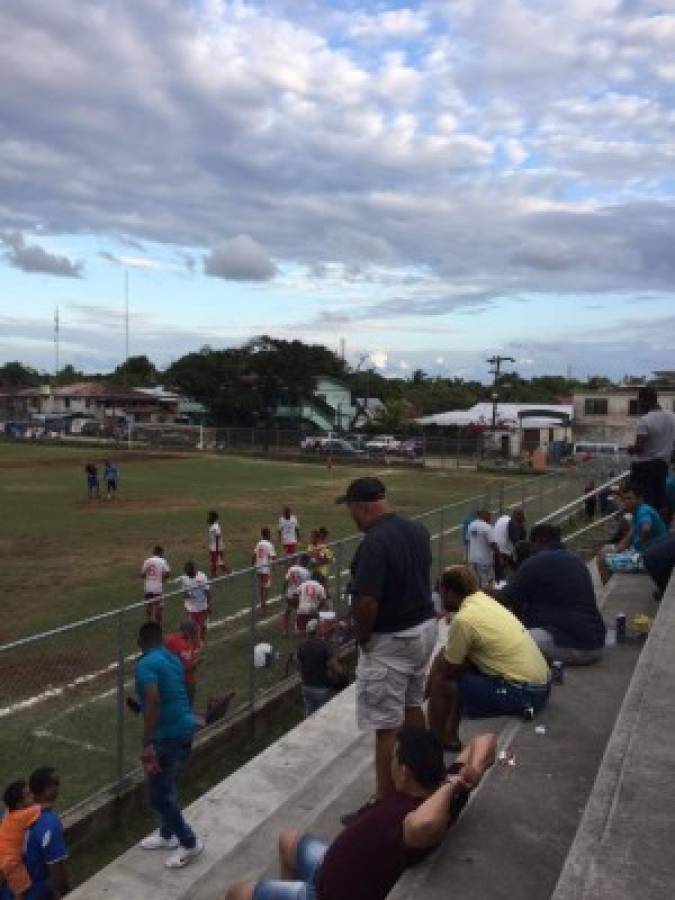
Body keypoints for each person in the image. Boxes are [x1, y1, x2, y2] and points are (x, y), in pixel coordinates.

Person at [224, 729, 496, 900]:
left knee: (237, 893)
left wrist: (452, 784)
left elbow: (422, 824)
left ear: (404, 772)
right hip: (330, 867)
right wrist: (469, 771)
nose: (390, 763)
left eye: (394, 758)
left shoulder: (418, 817)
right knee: (287, 839)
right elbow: (486, 739)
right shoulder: (444, 790)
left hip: (328, 893)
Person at [338, 477, 437, 810]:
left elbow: (367, 601)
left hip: (393, 640)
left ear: (363, 507)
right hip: (423, 629)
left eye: (351, 508)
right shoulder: (417, 529)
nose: (350, 516)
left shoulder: (374, 542)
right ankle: (423, 782)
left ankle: (384, 802)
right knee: (411, 707)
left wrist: (363, 636)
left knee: (385, 727)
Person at [428, 566, 550, 751]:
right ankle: (449, 736)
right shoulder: (483, 601)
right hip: (540, 685)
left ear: (450, 592)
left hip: (526, 694)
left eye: (441, 590)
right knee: (457, 665)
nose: (440, 596)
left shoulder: (464, 620)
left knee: (441, 683)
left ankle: (434, 745)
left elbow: (447, 670)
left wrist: (428, 691)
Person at [134, 621, 203, 869]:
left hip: (167, 736)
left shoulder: (144, 664)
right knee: (167, 782)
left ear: (140, 644)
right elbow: (174, 690)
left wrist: (147, 741)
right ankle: (166, 834)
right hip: (185, 728)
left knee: (158, 796)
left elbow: (153, 698)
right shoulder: (171, 658)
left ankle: (189, 841)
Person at [499, 524, 606, 665]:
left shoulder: (536, 562)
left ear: (537, 541)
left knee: (507, 641)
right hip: (596, 643)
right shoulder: (577, 561)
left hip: (575, 647)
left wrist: (478, 593)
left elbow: (503, 599)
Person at [1, 767, 70, 900]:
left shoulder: (7, 814)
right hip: (34, 892)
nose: (58, 787)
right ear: (46, 790)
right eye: (55, 783)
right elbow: (57, 871)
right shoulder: (50, 823)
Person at [598, 484, 667, 584]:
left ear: (640, 499)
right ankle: (611, 584)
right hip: (642, 553)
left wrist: (645, 549)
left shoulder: (643, 511)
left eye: (630, 498)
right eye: (624, 499)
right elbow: (628, 539)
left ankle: (608, 589)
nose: (626, 502)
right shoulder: (637, 512)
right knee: (605, 550)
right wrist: (615, 550)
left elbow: (646, 529)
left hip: (649, 559)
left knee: (602, 560)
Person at [627, 385, 675, 513]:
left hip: (644, 468)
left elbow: (640, 447)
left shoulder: (644, 420)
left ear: (645, 400)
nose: (639, 406)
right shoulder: (672, 417)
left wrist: (631, 449)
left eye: (640, 402)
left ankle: (643, 526)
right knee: (659, 502)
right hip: (662, 466)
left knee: (641, 502)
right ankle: (659, 526)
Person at [0, 781, 40, 899]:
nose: (32, 795)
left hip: (3, 854)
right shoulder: (22, 816)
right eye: (28, 794)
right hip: (11, 861)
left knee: (9, 882)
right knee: (22, 889)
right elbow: (40, 807)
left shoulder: (8, 814)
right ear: (18, 805)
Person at [297, 619, 344, 717]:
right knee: (323, 716)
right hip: (321, 687)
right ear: (317, 630)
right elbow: (334, 665)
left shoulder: (302, 645)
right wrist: (342, 675)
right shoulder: (324, 646)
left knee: (309, 716)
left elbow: (299, 666)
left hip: (306, 686)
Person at [164, 621, 202, 707]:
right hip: (185, 682)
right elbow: (185, 668)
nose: (195, 634)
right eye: (193, 631)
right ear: (186, 632)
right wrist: (195, 664)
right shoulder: (185, 646)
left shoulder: (170, 639)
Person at [176, 561, 211, 641]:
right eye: (186, 573)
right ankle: (192, 642)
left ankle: (201, 641)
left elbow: (207, 592)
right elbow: (184, 592)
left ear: (193, 570)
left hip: (202, 606)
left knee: (203, 625)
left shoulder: (202, 577)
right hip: (191, 607)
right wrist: (187, 596)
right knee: (191, 626)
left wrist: (209, 605)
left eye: (189, 573)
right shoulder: (184, 578)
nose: (187, 574)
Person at [492, 508, 526, 581]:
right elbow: (515, 540)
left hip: (496, 549)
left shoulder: (503, 518)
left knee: (498, 573)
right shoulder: (512, 523)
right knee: (507, 573)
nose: (521, 524)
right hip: (504, 551)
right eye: (520, 522)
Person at [467, 510, 498, 588]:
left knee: (474, 584)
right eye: (489, 517)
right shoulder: (487, 527)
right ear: (485, 516)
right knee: (486, 585)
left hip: (472, 559)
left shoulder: (471, 525)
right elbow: (493, 543)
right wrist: (499, 554)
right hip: (484, 560)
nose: (490, 520)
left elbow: (468, 540)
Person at [141, 546, 171, 625]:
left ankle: (149, 623)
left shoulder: (147, 561)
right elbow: (168, 572)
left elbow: (142, 574)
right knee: (158, 606)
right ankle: (158, 624)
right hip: (157, 587)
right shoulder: (162, 561)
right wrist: (163, 579)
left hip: (148, 587)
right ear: (160, 553)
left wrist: (148, 577)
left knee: (148, 606)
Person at [283, 555, 311, 635]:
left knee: (287, 611)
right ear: (305, 562)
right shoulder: (306, 572)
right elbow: (306, 586)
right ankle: (298, 628)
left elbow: (286, 581)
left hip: (290, 593)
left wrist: (283, 592)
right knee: (300, 612)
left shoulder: (292, 568)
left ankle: (285, 630)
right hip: (298, 595)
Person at [643, 534, 675, 600]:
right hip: (654, 560)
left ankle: (663, 591)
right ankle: (664, 591)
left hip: (652, 556)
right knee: (666, 586)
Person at [253, 529, 277, 614]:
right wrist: (273, 568)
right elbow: (273, 557)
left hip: (258, 568)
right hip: (266, 569)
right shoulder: (269, 544)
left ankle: (262, 603)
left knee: (261, 587)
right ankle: (263, 607)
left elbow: (254, 555)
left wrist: (253, 565)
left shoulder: (259, 543)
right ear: (267, 535)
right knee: (266, 587)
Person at [207, 511, 229, 579]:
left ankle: (229, 573)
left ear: (213, 518)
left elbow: (217, 537)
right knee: (216, 562)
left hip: (216, 548)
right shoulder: (212, 525)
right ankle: (214, 575)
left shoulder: (216, 527)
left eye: (210, 516)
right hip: (213, 547)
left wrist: (217, 550)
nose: (208, 517)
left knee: (218, 562)